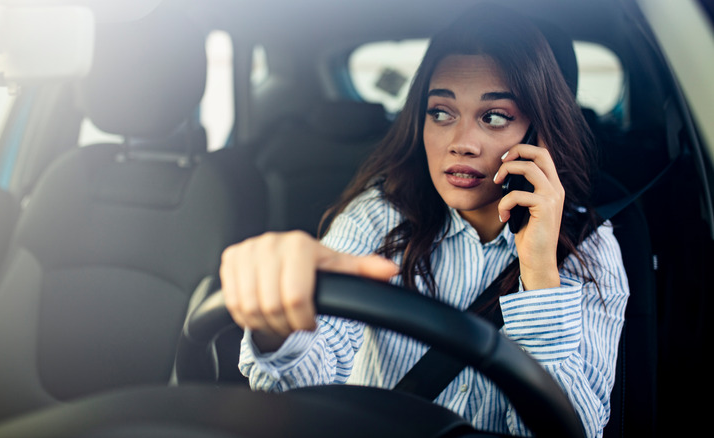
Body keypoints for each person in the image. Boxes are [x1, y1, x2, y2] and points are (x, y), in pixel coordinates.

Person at [219, 4, 629, 437]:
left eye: (494, 117)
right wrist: (277, 329)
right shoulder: (381, 214)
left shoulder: (592, 248)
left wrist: (541, 272)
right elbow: (302, 390)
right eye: (441, 113)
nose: (461, 143)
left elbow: (574, 430)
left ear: (538, 133)